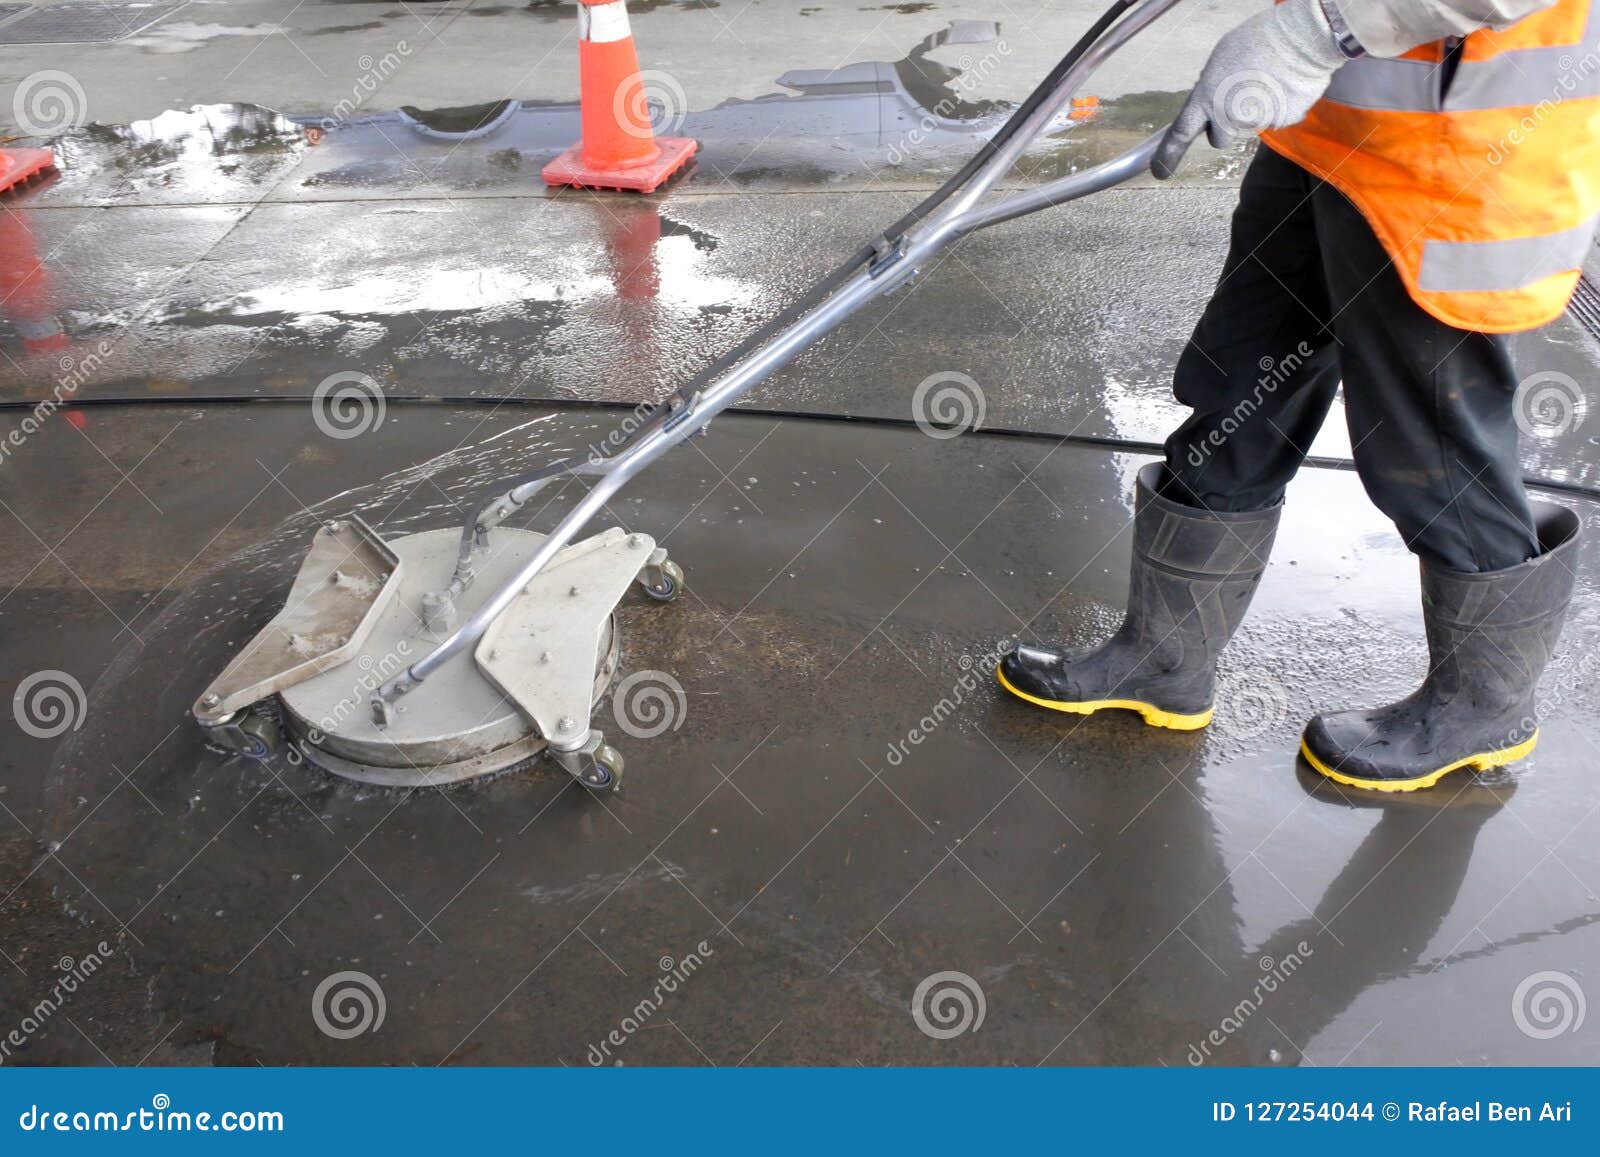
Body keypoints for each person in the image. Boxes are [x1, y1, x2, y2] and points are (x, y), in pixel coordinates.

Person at [999, 0, 1590, 791]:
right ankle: (1164, 661)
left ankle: (1482, 708)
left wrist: (1315, 29)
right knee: (1237, 387)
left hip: (1451, 166)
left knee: (1433, 453)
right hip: (1325, 131)